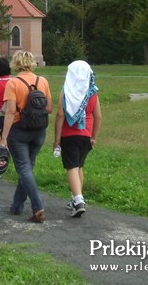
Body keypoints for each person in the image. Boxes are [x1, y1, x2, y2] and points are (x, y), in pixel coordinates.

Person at [1, 50, 52, 223]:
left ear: (15, 63)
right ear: (32, 63)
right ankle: (16, 206)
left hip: (19, 130)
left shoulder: (13, 83)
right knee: (27, 168)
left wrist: (3, 137)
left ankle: (38, 207)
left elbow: (10, 111)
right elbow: (49, 108)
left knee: (23, 168)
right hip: (39, 130)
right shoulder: (43, 81)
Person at [53, 60, 102, 218]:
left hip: (69, 134)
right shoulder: (92, 92)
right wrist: (94, 136)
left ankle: (78, 200)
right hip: (86, 134)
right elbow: (98, 116)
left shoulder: (66, 91)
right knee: (79, 166)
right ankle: (76, 198)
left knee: (71, 167)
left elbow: (60, 114)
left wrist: (57, 138)